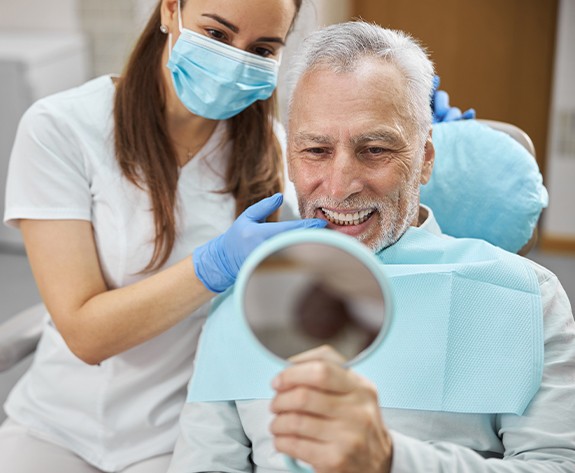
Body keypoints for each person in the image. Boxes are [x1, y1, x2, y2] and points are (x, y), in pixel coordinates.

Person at [0, 0, 469, 470]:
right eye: (218, 35)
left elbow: (350, 225)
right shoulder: (61, 129)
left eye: (262, 48)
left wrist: (412, 144)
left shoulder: (275, 149)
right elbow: (85, 336)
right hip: (56, 426)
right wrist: (214, 266)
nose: (235, 60)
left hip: (177, 436)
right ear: (169, 11)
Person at [168, 21, 575, 473]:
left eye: (375, 149)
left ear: (424, 160)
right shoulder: (242, 296)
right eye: (316, 150)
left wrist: (389, 460)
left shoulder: (525, 297)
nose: (340, 188)